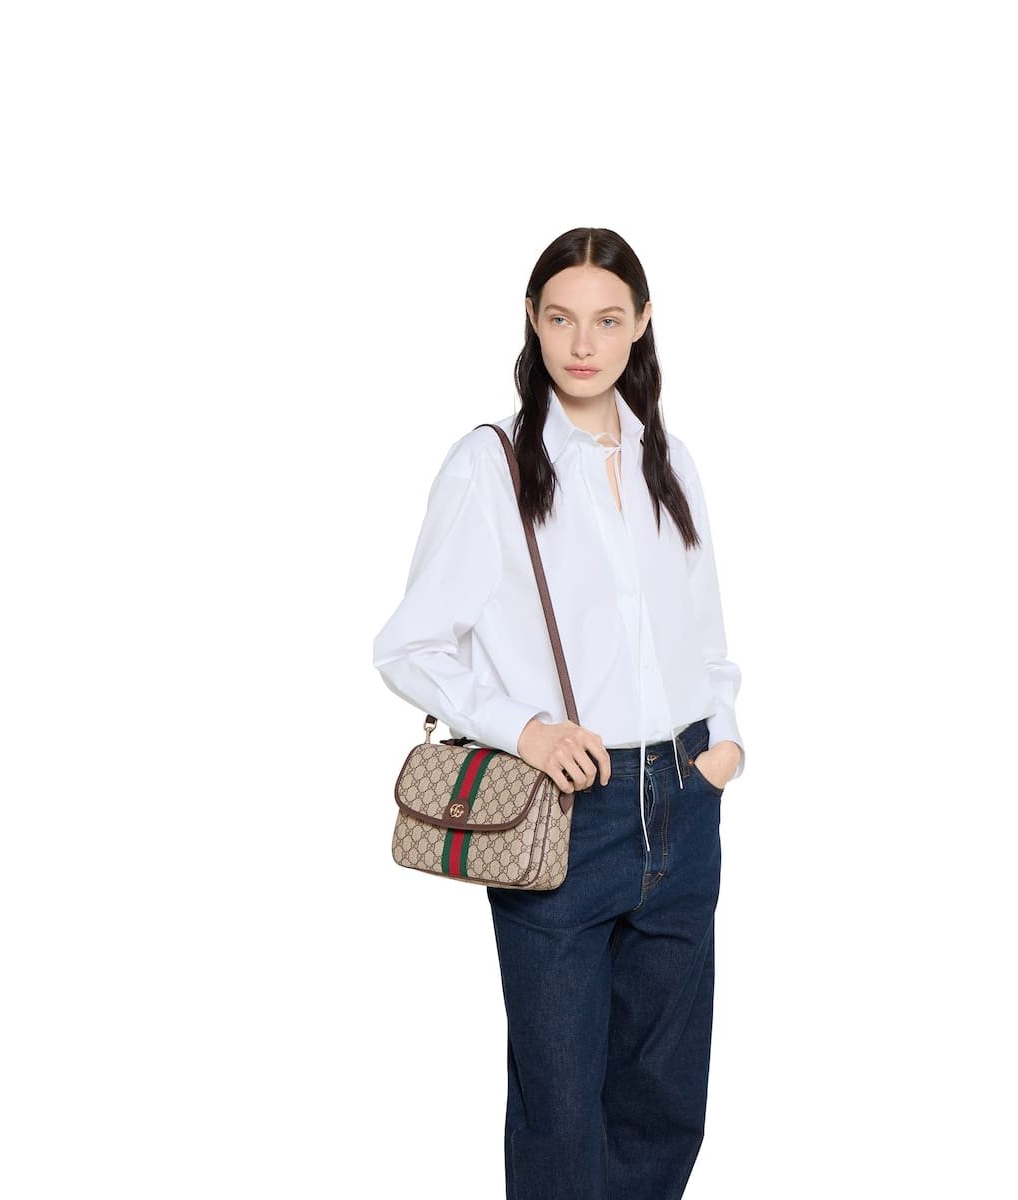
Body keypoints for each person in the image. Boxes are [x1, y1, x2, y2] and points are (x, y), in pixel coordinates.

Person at [371, 227, 745, 1200]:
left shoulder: (672, 461)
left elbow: (704, 632)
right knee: (562, 1105)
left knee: (665, 1096)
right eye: (562, 318)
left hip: (685, 795)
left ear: (643, 324)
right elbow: (410, 646)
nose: (584, 344)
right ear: (532, 323)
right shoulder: (491, 465)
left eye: (608, 320)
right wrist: (526, 730)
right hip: (569, 811)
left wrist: (724, 741)